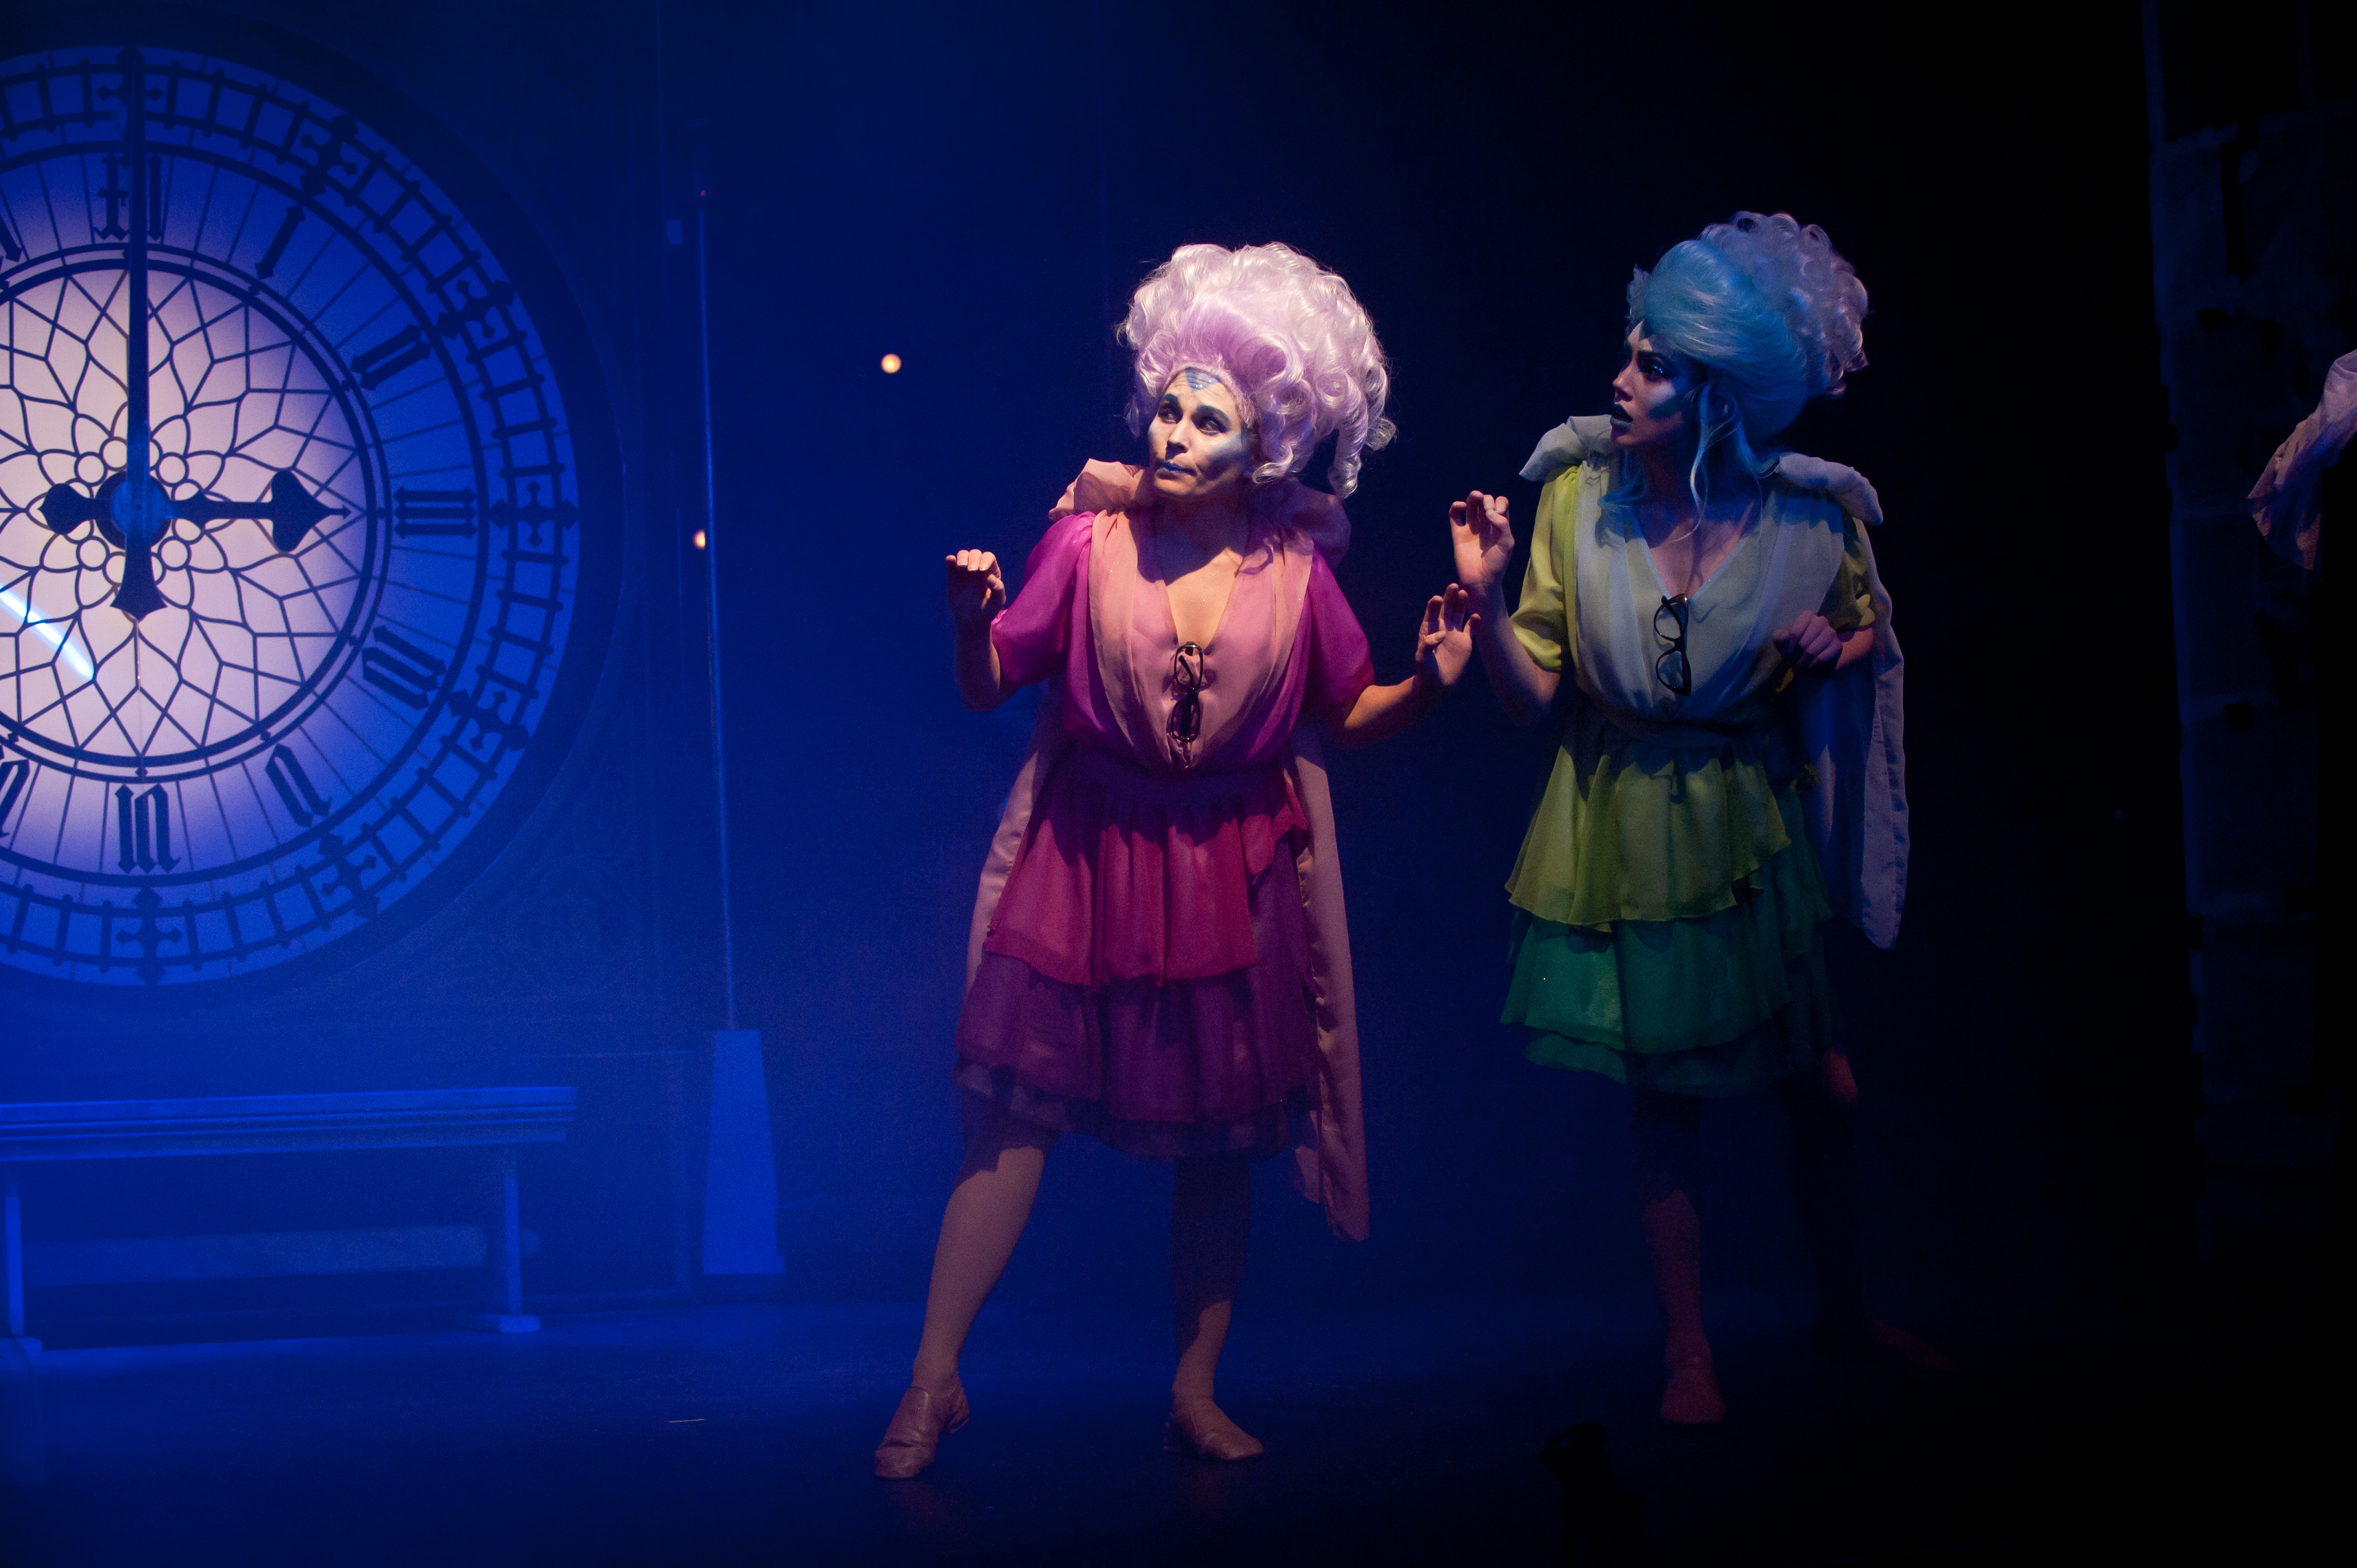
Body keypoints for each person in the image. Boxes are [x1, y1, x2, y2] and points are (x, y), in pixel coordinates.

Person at [874, 243, 1473, 1478]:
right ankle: (933, 1378)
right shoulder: (1087, 545)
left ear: (1264, 446)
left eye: (1210, 419)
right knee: (1011, 1124)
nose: (1176, 432)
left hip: (1223, 877)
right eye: (1169, 407)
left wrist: (1430, 686)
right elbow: (993, 685)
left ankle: (1194, 1392)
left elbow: (1348, 708)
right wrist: (969, 627)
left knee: (1219, 1144)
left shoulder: (1295, 572)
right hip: (1088, 860)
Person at [1448, 212, 1941, 1425]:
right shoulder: (1576, 499)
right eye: (1629, 354)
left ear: (1715, 393)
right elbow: (1529, 700)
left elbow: (1866, 631)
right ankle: (1687, 1352)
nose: (1621, 380)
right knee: (1664, 1095)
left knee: (1821, 1089)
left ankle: (1842, 1310)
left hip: (1745, 822)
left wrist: (1832, 642)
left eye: (1653, 364)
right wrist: (1488, 600)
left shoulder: (1805, 520)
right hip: (1626, 819)